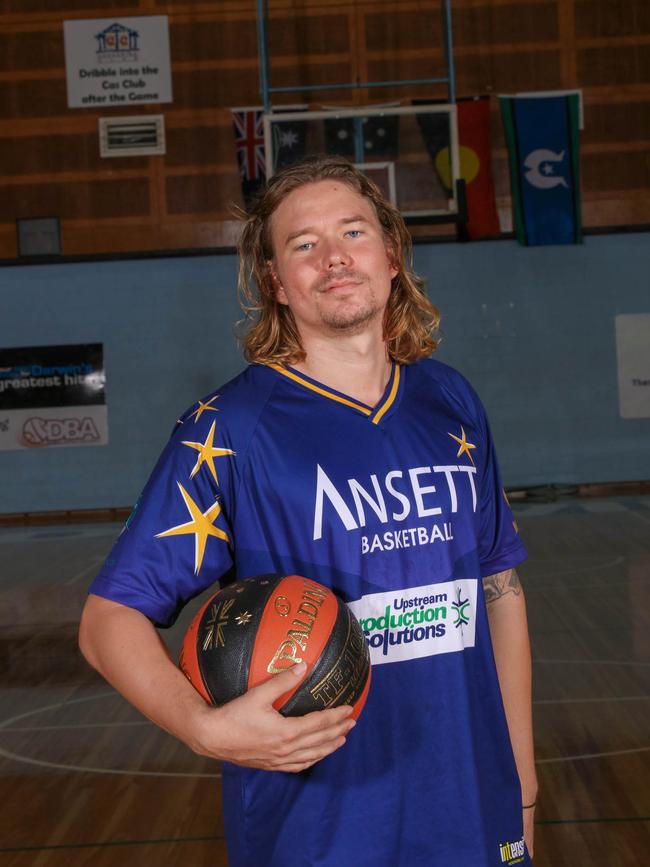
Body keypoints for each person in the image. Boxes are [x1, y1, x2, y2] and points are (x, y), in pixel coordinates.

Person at [80, 156, 537, 866]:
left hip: (472, 810)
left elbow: (500, 591)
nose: (333, 258)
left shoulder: (451, 400)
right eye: (303, 243)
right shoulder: (229, 428)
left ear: (390, 255)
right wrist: (204, 727)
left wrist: (524, 784)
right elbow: (107, 620)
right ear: (276, 283)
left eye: (353, 232)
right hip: (317, 829)